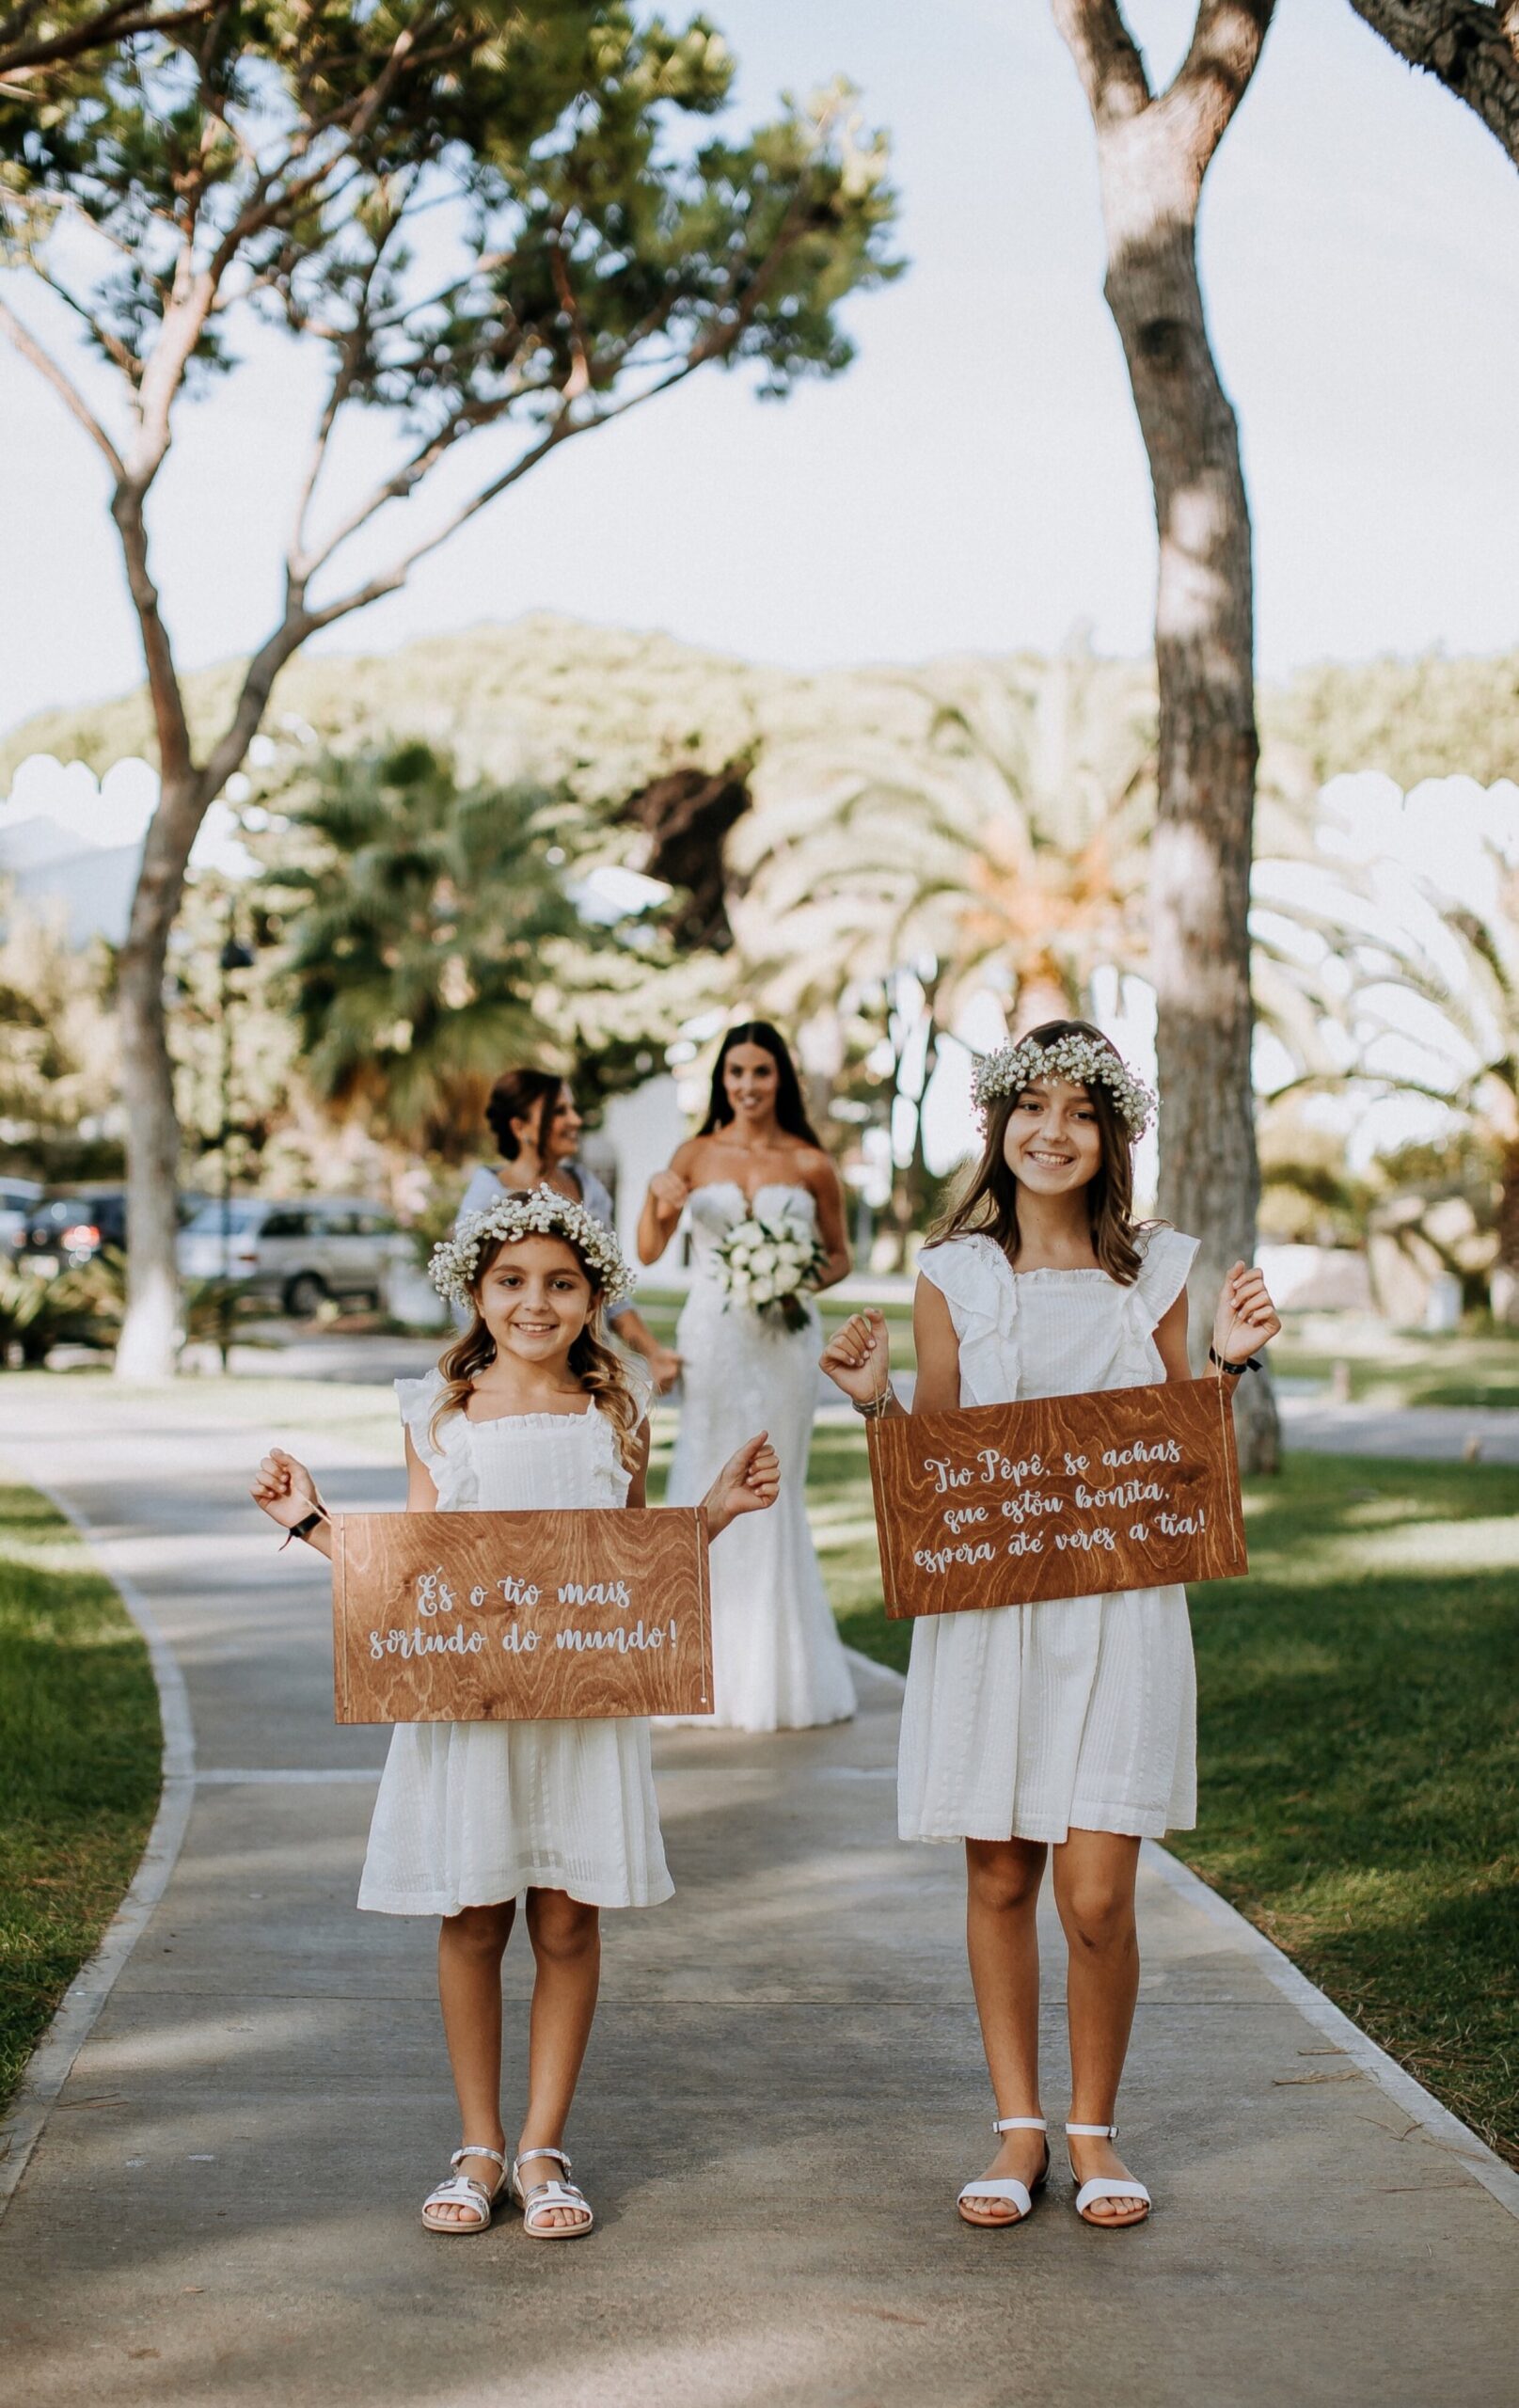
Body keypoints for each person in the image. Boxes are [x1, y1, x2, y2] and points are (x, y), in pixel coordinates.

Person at [819, 1021, 1281, 2231]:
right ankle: (1020, 2129)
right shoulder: (951, 1277)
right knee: (999, 1872)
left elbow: (1179, 1468)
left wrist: (1223, 1372)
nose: (1053, 1131)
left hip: (1119, 1611)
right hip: (991, 1615)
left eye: (1081, 1111)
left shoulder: (1162, 1273)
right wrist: (878, 1409)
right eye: (1032, 1106)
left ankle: (1096, 2127)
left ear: (1111, 1131)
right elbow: (938, 1470)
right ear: (997, 1125)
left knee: (1095, 1895)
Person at [251, 1187, 779, 2240]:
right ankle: (477, 2142)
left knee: (568, 1916)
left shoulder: (614, 1417)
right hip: (469, 1708)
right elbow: (412, 1576)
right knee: (473, 1912)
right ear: (476, 1292)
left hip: (580, 1711)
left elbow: (630, 1573)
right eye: (511, 1282)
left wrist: (711, 1512)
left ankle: (543, 2146)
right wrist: (310, 1521)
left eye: (560, 1284)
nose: (534, 1303)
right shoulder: (435, 1414)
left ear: (591, 1298)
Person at [638, 1021, 857, 1732]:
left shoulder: (810, 1162)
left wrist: (795, 1280)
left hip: (784, 1340)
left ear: (779, 1079)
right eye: (735, 1072)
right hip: (714, 1335)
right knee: (705, 1473)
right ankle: (696, 1668)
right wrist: (656, 1199)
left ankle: (775, 1678)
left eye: (760, 1072)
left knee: (774, 1485)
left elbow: (840, 1257)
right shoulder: (694, 1153)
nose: (747, 1086)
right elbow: (649, 1247)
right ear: (720, 1081)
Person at [457, 1067, 682, 1394]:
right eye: (560, 1111)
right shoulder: (486, 1195)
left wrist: (652, 1352)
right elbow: (470, 1302)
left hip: (583, 1370)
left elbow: (611, 1290)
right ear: (521, 1127)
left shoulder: (588, 1188)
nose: (575, 1120)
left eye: (573, 1109)